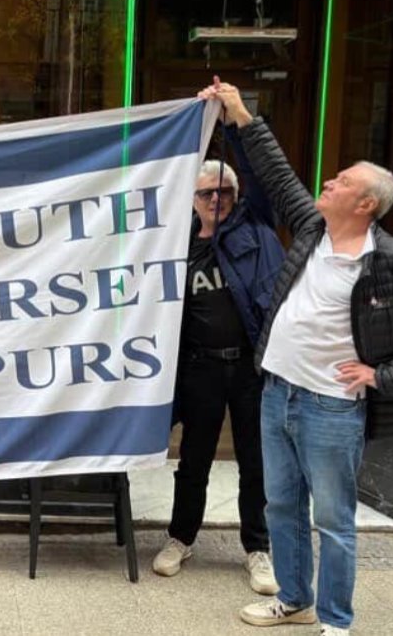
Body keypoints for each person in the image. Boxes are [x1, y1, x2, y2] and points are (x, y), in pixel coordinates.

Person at [206, 79, 393, 636]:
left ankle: (334, 620)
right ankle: (294, 598)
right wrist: (238, 113)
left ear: (366, 203)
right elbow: (278, 175)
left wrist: (384, 374)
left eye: (343, 180)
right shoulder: (311, 230)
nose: (329, 181)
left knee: (332, 521)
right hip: (277, 393)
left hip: (332, 408)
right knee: (281, 508)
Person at [152, 129, 283, 596]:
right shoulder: (176, 243)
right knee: (194, 459)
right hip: (199, 367)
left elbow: (262, 179)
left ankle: (258, 549)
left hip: (251, 367)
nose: (215, 199)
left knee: (256, 460)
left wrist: (236, 124)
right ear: (191, 198)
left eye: (224, 192)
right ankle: (180, 538)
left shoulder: (254, 230)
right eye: (206, 192)